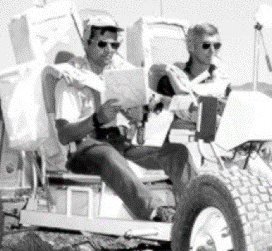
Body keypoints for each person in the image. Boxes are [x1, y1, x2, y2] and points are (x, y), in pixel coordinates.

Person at [54, 14, 196, 222]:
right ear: (86, 43)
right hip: (84, 149)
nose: (109, 50)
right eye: (102, 44)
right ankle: (155, 213)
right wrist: (96, 119)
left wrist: (146, 111)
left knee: (177, 152)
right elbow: (64, 135)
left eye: (115, 45)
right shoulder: (71, 79)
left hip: (120, 145)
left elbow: (152, 100)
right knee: (107, 155)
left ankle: (193, 211)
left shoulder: (120, 76)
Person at [156, 23, 272, 181]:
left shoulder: (220, 83)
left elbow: (236, 112)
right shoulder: (172, 80)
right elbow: (175, 115)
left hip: (235, 146)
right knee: (262, 174)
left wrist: (267, 139)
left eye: (217, 46)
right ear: (191, 46)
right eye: (206, 45)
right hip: (205, 150)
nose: (212, 51)